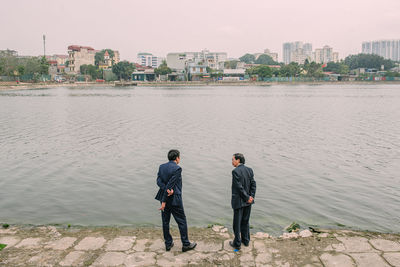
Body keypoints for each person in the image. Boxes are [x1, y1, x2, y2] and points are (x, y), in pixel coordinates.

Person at [155, 149, 197, 252]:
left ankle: (168, 244)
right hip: (174, 199)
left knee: (165, 221)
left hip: (163, 198)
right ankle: (186, 244)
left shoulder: (161, 167)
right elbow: (171, 183)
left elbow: (158, 181)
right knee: (182, 221)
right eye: (179, 157)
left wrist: (165, 190)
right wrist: (168, 190)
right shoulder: (177, 169)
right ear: (177, 158)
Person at [229, 153, 256, 250]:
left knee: (237, 223)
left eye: (233, 159)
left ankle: (237, 243)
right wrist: (251, 197)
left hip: (239, 202)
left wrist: (246, 197)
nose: (232, 161)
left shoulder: (235, 171)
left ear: (238, 160)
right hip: (248, 202)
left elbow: (239, 187)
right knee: (245, 221)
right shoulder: (249, 170)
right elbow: (253, 184)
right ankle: (246, 240)